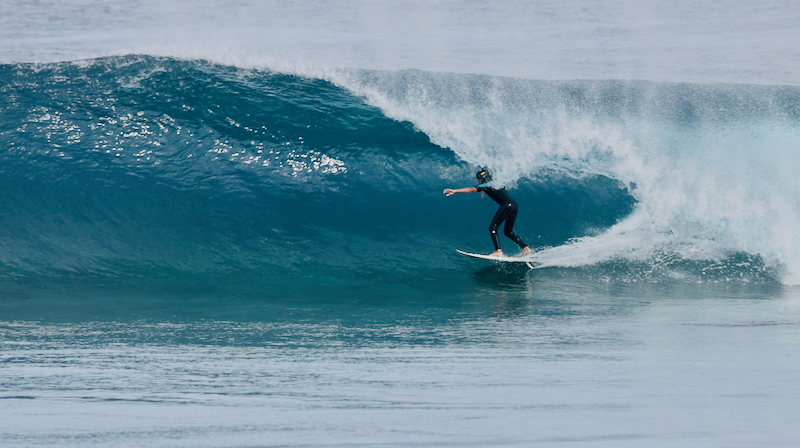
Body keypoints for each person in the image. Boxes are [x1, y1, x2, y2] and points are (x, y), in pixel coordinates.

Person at [443, 169, 532, 257]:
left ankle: (498, 251)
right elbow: (503, 188)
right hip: (514, 205)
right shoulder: (496, 184)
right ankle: (526, 248)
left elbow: (470, 189)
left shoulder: (485, 185)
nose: (477, 181)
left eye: (478, 179)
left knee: (493, 228)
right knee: (508, 231)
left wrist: (455, 191)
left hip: (507, 205)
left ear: (482, 179)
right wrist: (485, 190)